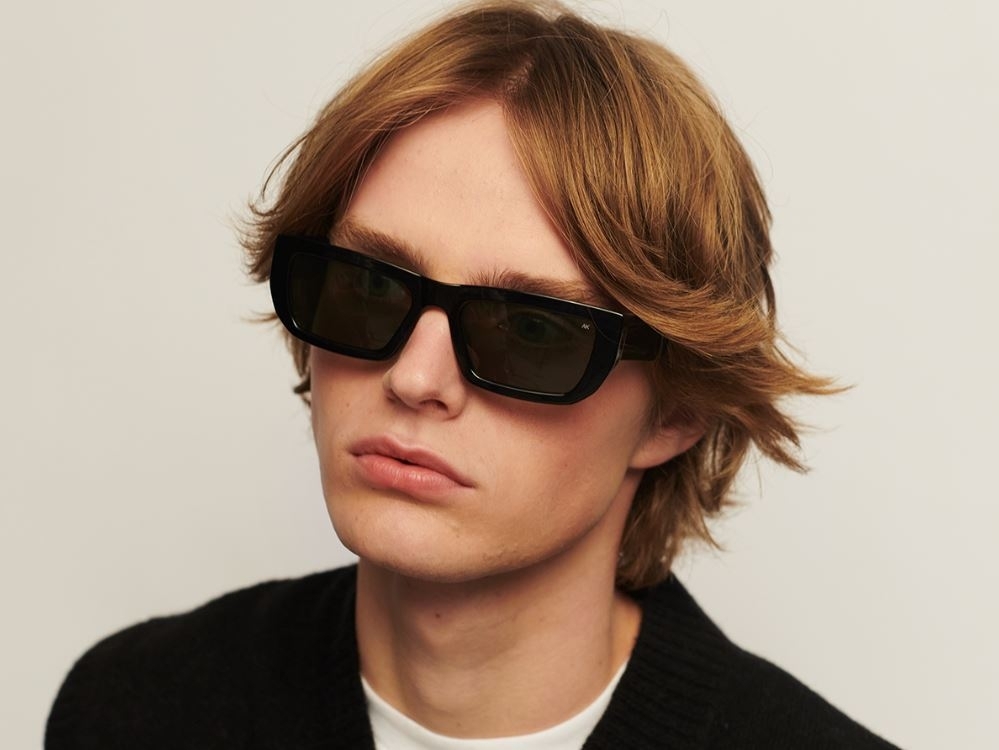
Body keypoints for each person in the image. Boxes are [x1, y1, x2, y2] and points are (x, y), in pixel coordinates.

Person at [46, 1, 901, 747]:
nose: (415, 378)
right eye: (368, 287)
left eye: (529, 329)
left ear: (674, 412)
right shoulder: (136, 708)